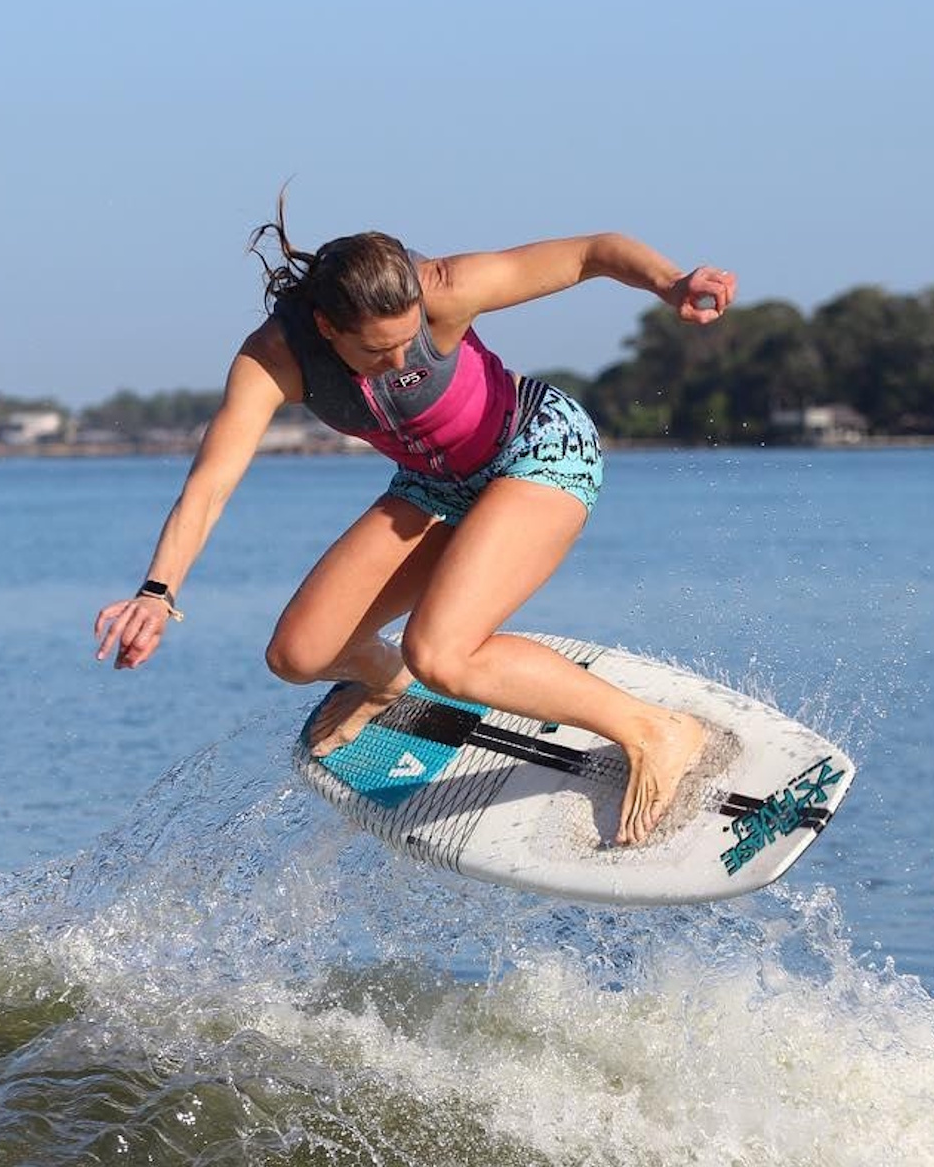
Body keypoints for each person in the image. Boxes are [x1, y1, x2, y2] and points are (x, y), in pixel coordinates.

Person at [93, 195, 737, 845]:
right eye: (378, 350)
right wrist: (158, 592)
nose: (401, 362)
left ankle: (655, 731)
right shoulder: (273, 360)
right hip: (434, 486)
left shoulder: (444, 289)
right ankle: (385, 681)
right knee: (299, 655)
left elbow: (589, 253)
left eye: (408, 341)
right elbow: (210, 484)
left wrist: (669, 281)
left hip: (537, 449)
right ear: (326, 326)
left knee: (441, 653)